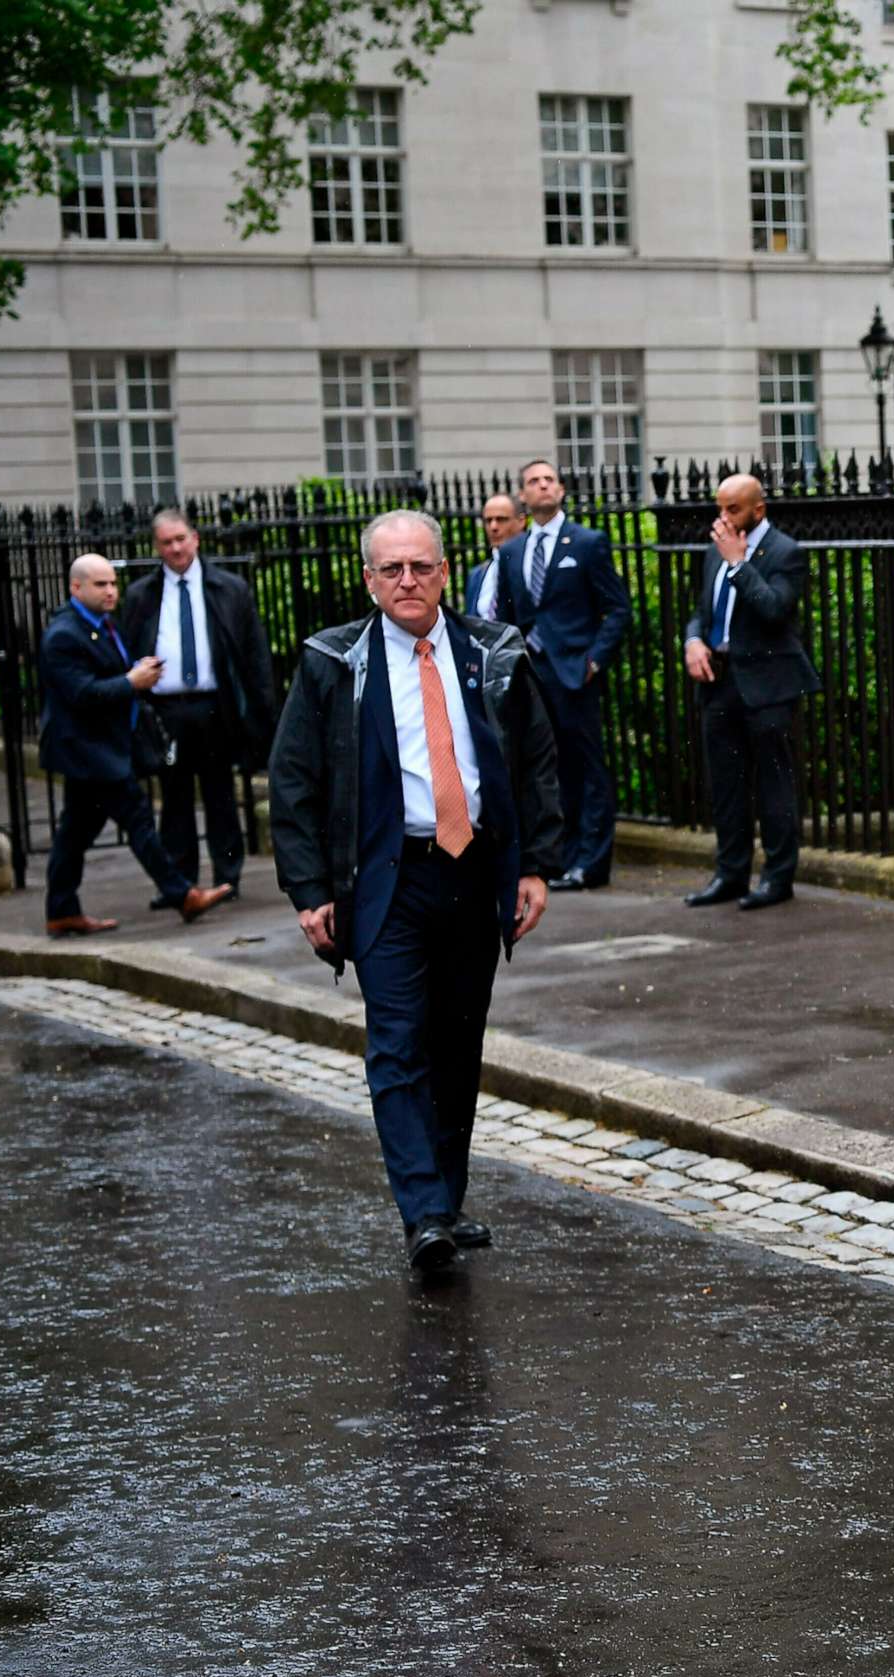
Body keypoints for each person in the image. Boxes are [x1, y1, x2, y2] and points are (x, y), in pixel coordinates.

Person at [267, 510, 564, 1273]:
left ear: (443, 571)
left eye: (421, 567)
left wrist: (535, 865)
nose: (408, 581)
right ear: (369, 579)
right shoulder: (334, 662)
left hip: (473, 871)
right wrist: (308, 889)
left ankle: (447, 1197)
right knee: (397, 1044)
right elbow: (295, 782)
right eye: (392, 569)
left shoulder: (494, 652)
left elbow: (534, 762)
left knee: (458, 1044)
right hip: (386, 878)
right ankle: (423, 1211)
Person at [38, 554, 235, 936]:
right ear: (75, 587)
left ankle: (61, 909)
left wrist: (133, 674)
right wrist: (132, 681)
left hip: (102, 748)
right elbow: (80, 693)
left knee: (74, 832)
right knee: (138, 819)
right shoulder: (65, 634)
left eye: (113, 583)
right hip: (89, 751)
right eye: (101, 584)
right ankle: (182, 894)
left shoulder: (100, 625)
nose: (111, 591)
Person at [118, 509, 276, 899]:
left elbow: (253, 655)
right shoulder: (142, 594)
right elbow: (127, 648)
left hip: (214, 704)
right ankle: (180, 882)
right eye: (166, 542)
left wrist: (262, 712)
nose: (175, 548)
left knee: (220, 791)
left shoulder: (229, 588)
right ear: (157, 547)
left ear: (196, 538)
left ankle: (228, 877)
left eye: (180, 539)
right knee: (173, 797)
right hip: (165, 708)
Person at [680, 473, 816, 911]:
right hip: (719, 684)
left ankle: (778, 877)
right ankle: (730, 874)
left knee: (774, 786)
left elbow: (775, 610)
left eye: (732, 509)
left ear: (758, 509)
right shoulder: (713, 551)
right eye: (719, 508)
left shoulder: (784, 551)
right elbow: (702, 613)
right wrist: (693, 641)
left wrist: (739, 565)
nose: (723, 517)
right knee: (726, 786)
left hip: (768, 687)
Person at [492, 458, 628, 891]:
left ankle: (592, 862)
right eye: (534, 481)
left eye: (550, 480)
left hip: (575, 674)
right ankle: (561, 858)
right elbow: (509, 616)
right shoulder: (513, 552)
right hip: (533, 675)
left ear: (562, 490)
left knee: (587, 770)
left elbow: (618, 609)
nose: (543, 486)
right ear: (524, 496)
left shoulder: (587, 542)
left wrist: (593, 660)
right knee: (548, 769)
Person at [465, 492, 526, 622]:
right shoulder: (476, 575)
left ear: (521, 521)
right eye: (488, 520)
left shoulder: (530, 568)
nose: (493, 527)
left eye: (501, 519)